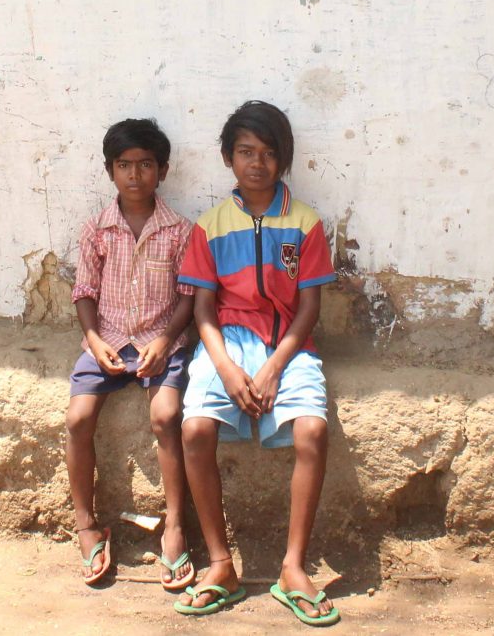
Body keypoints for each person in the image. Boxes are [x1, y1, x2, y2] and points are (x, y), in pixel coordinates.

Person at [174, 100, 340, 625]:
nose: (257, 163)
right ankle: (221, 564)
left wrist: (272, 369)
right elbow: (203, 310)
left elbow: (309, 308)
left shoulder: (306, 223)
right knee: (195, 429)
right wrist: (226, 367)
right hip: (225, 344)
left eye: (269, 153)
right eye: (246, 151)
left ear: (283, 159)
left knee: (312, 432)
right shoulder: (210, 226)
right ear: (228, 157)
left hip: (289, 344)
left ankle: (293, 567)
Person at [66, 118, 197, 591]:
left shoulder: (180, 230)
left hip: (162, 342)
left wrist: (165, 341)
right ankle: (86, 523)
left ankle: (175, 524)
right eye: (124, 165)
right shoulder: (97, 229)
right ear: (110, 171)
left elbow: (188, 296)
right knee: (78, 418)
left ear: (162, 170)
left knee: (167, 416)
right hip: (108, 339)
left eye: (145, 165)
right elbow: (84, 291)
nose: (134, 175)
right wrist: (95, 338)